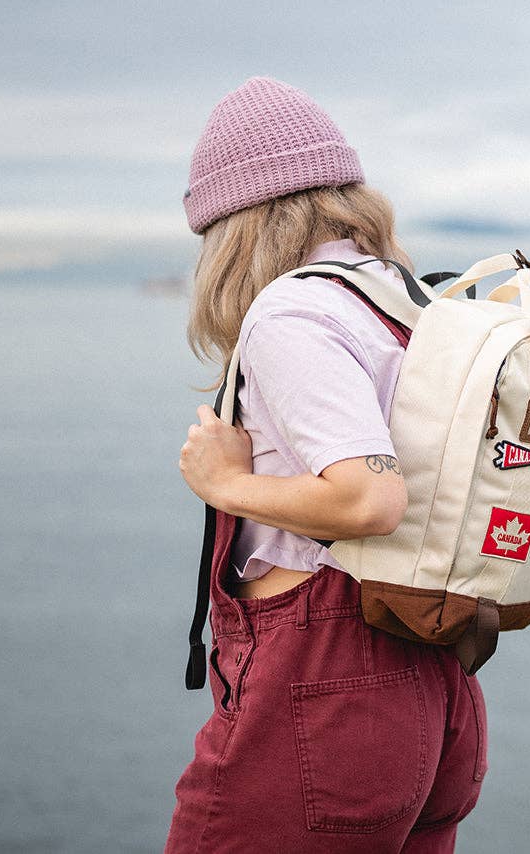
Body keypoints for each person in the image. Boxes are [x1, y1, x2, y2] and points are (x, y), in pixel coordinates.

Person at [165, 77, 487, 853]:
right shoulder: (406, 301)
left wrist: (225, 483)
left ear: (234, 225)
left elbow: (369, 499)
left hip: (325, 693)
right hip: (432, 688)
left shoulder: (292, 310)